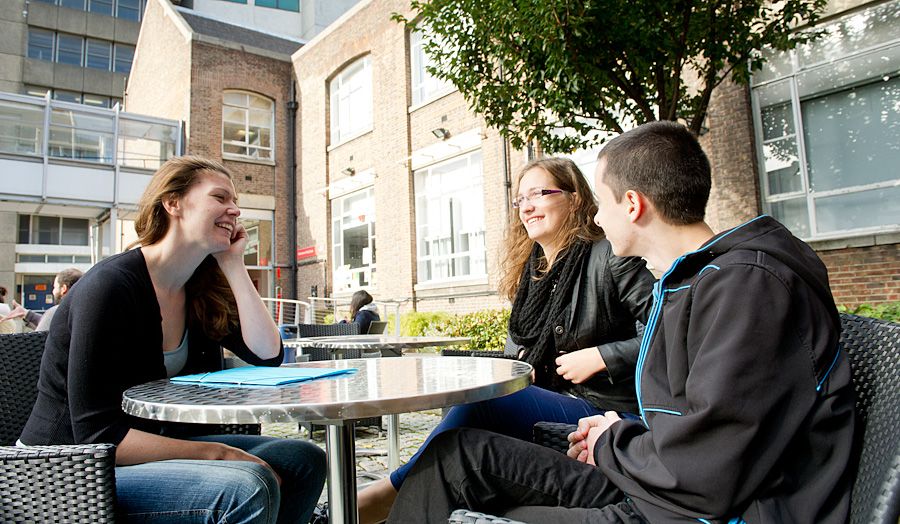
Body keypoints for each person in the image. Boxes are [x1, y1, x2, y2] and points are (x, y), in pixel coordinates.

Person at [386, 121, 854, 523]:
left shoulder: (747, 286)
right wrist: (609, 435)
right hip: (655, 488)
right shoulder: (697, 282)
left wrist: (612, 441)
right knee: (456, 458)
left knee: (473, 494)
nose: (595, 215)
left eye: (601, 202)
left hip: (691, 512)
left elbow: (707, 470)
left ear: (632, 205)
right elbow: (694, 426)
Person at [18, 156, 327, 523]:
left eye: (235, 201)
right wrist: (219, 454)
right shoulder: (110, 286)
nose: (235, 210)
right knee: (245, 486)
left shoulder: (198, 286)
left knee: (304, 460)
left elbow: (267, 353)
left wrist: (233, 264)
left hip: (141, 447)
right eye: (220, 197)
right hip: (64, 470)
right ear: (173, 203)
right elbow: (97, 435)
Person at [357, 157, 655, 523]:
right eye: (520, 200)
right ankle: (412, 495)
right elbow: (516, 353)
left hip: (605, 410)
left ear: (574, 197)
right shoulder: (531, 274)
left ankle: (388, 494)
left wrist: (603, 356)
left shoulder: (609, 254)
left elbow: (664, 330)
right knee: (471, 415)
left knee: (487, 403)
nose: (526, 207)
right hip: (552, 399)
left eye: (538, 194)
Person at [0, 268, 83, 331]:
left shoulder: (57, 313)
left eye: (55, 287)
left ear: (63, 289)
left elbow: (42, 333)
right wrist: (26, 314)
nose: (53, 291)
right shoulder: (83, 313)